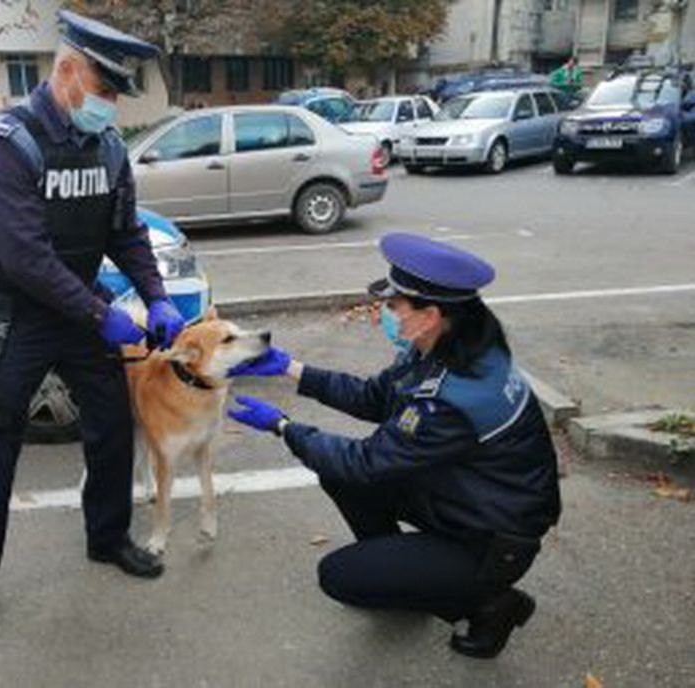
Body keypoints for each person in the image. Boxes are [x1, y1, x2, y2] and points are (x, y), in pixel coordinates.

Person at [0, 10, 186, 659]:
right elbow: (24, 257)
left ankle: (107, 537)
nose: (110, 106)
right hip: (15, 319)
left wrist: (156, 297)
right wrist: (101, 315)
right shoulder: (4, 145)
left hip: (80, 313)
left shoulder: (105, 147)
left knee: (111, 427)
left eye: (116, 95)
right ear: (67, 72)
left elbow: (125, 232)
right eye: (104, 91)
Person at [227, 233, 561, 659]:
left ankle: (492, 603)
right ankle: (408, 575)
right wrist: (291, 369)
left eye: (394, 305)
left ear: (430, 315)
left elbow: (365, 462)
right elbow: (373, 398)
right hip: (467, 499)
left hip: (495, 536)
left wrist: (282, 426)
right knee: (335, 469)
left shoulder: (452, 397)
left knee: (339, 575)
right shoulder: (449, 346)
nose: (385, 312)